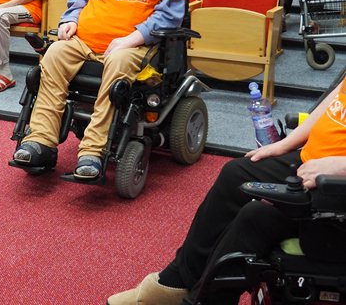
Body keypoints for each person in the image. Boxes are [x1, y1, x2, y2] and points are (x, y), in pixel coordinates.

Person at [107, 77, 346, 305]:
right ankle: (178, 281)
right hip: (313, 160)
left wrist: (338, 166)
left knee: (255, 217)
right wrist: (284, 145)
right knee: (235, 174)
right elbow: (337, 98)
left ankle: (193, 295)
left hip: (334, 180)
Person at [11, 0, 186, 179]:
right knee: (53, 54)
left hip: (133, 44)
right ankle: (41, 140)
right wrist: (70, 20)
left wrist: (131, 39)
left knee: (117, 63)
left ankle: (93, 150)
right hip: (85, 39)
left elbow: (171, 14)